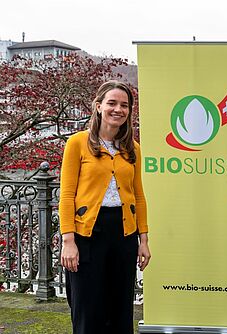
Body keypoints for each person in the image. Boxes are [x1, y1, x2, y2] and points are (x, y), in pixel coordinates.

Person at [59, 80, 151, 334]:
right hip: (87, 235)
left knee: (120, 309)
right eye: (112, 103)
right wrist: (68, 240)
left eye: (124, 105)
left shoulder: (133, 149)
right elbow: (67, 195)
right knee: (87, 309)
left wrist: (143, 239)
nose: (118, 109)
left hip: (123, 234)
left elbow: (138, 196)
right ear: (98, 106)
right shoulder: (77, 143)